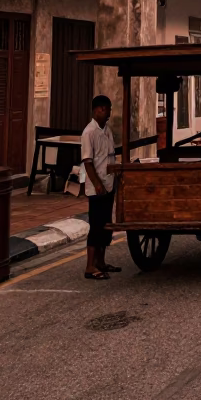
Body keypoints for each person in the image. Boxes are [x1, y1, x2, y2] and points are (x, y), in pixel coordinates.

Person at [81, 94, 121, 280]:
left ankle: (101, 261)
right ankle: (90, 265)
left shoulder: (107, 130)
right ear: (98, 109)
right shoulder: (89, 132)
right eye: (106, 110)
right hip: (97, 186)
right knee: (96, 226)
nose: (108, 114)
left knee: (105, 225)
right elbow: (88, 162)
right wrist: (97, 184)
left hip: (109, 182)